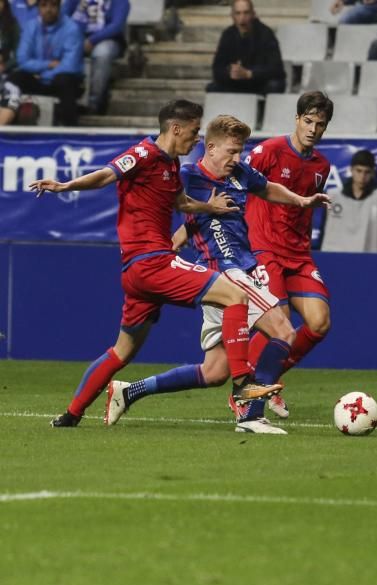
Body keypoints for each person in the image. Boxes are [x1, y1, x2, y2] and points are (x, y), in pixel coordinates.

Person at [30, 100, 284, 428]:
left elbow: (181, 202)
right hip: (152, 262)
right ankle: (243, 385)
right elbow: (106, 174)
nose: (196, 140)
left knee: (122, 351)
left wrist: (210, 208)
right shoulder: (144, 154)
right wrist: (66, 185)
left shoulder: (171, 165)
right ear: (175, 128)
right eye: (193, 132)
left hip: (138, 274)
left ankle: (70, 415)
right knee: (235, 295)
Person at [104, 114, 331, 434]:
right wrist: (164, 253)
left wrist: (302, 200)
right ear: (210, 147)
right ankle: (251, 414)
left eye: (240, 151)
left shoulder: (238, 173)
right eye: (232, 151)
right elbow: (176, 208)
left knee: (214, 372)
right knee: (283, 331)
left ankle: (129, 391)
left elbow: (268, 188)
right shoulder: (187, 175)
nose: (238, 158)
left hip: (233, 275)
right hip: (223, 273)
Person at [243, 90, 335, 420]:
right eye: (308, 121)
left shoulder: (323, 166)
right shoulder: (269, 151)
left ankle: (271, 376)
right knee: (278, 323)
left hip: (298, 253)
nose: (312, 128)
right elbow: (237, 182)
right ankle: (249, 391)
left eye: (319, 124)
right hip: (264, 246)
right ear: (297, 119)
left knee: (319, 321)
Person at [319, 149, 377, 253]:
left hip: (370, 264)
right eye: (359, 171)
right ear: (351, 170)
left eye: (367, 172)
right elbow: (323, 233)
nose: (362, 177)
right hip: (333, 261)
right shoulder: (332, 197)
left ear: (372, 173)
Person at [8, 0, 83, 126]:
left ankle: (71, 130)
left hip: (59, 81)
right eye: (44, 5)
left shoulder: (72, 29)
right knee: (15, 78)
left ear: (59, 7)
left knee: (65, 79)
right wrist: (47, 65)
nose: (48, 9)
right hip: (37, 80)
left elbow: (69, 66)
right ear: (38, 8)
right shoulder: (31, 26)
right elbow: (22, 60)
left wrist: (43, 75)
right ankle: (9, 127)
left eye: (53, 5)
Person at [63, 0, 129, 115]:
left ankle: (94, 103)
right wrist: (76, 39)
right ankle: (68, 100)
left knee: (102, 54)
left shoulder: (120, 2)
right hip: (75, 38)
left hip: (107, 39)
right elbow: (63, 17)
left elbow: (116, 26)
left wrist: (92, 40)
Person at [207, 0, 285, 95]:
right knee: (212, 87)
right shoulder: (228, 34)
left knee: (275, 86)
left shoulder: (266, 34)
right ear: (232, 16)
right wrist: (231, 72)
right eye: (238, 13)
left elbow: (276, 69)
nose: (242, 18)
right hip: (236, 83)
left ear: (253, 14)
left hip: (259, 83)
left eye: (246, 13)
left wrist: (249, 73)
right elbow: (217, 68)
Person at [0, 0, 21, 126]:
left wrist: (4, 66)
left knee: (12, 93)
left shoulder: (12, 25)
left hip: (5, 74)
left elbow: (19, 55)